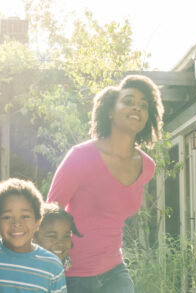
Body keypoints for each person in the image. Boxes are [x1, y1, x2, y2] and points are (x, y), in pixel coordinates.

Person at [46, 75, 164, 293]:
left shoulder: (147, 167)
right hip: (74, 273)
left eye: (143, 105)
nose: (136, 108)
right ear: (110, 111)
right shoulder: (81, 156)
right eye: (128, 101)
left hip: (114, 270)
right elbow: (50, 211)